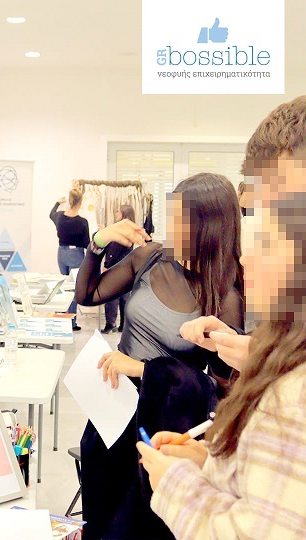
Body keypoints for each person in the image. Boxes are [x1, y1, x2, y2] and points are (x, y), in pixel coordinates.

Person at [137, 95, 306, 539]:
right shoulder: (153, 261)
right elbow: (276, 501)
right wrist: (212, 464)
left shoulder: (292, 399)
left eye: (277, 226)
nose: (252, 251)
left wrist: (176, 484)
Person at [75, 173, 244, 539]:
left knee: (140, 525)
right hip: (111, 407)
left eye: (183, 218)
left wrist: (141, 369)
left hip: (164, 427)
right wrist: (99, 241)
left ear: (209, 226)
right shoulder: (151, 257)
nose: (173, 226)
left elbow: (218, 390)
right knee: (100, 518)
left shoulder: (224, 295)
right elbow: (87, 295)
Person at [49, 189, 90, 331]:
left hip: (61, 254)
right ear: (80, 202)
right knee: (73, 288)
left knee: (64, 285)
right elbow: (86, 243)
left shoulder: (60, 217)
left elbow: (51, 214)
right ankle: (71, 321)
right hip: (76, 255)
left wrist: (57, 203)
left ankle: (63, 318)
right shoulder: (82, 222)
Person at [101, 204, 136, 334]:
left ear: (123, 214)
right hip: (126, 268)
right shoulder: (130, 229)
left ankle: (110, 324)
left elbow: (114, 250)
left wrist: (106, 265)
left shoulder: (121, 230)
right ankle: (123, 325)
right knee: (124, 297)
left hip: (116, 267)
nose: (116, 214)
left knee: (111, 297)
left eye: (117, 212)